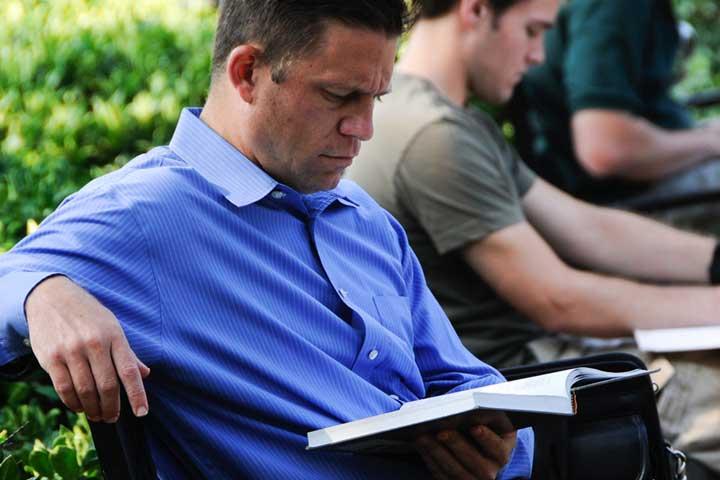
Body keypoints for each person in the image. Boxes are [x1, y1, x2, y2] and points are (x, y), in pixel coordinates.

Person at [0, 1, 534, 478]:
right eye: (339, 95)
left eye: (375, 97)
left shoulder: (364, 218)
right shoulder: (145, 215)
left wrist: (500, 448)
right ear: (247, 72)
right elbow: (10, 280)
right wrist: (40, 294)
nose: (364, 127)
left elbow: (464, 380)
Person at [345, 0, 720, 476]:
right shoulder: (434, 137)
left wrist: (715, 262)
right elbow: (559, 299)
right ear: (476, 10)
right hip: (525, 390)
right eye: (533, 30)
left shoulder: (441, 117)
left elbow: (588, 228)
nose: (540, 55)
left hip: (546, 364)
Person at [514, 0, 720, 221]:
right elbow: (606, 148)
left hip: (600, 190)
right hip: (618, 203)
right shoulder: (614, 6)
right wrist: (711, 142)